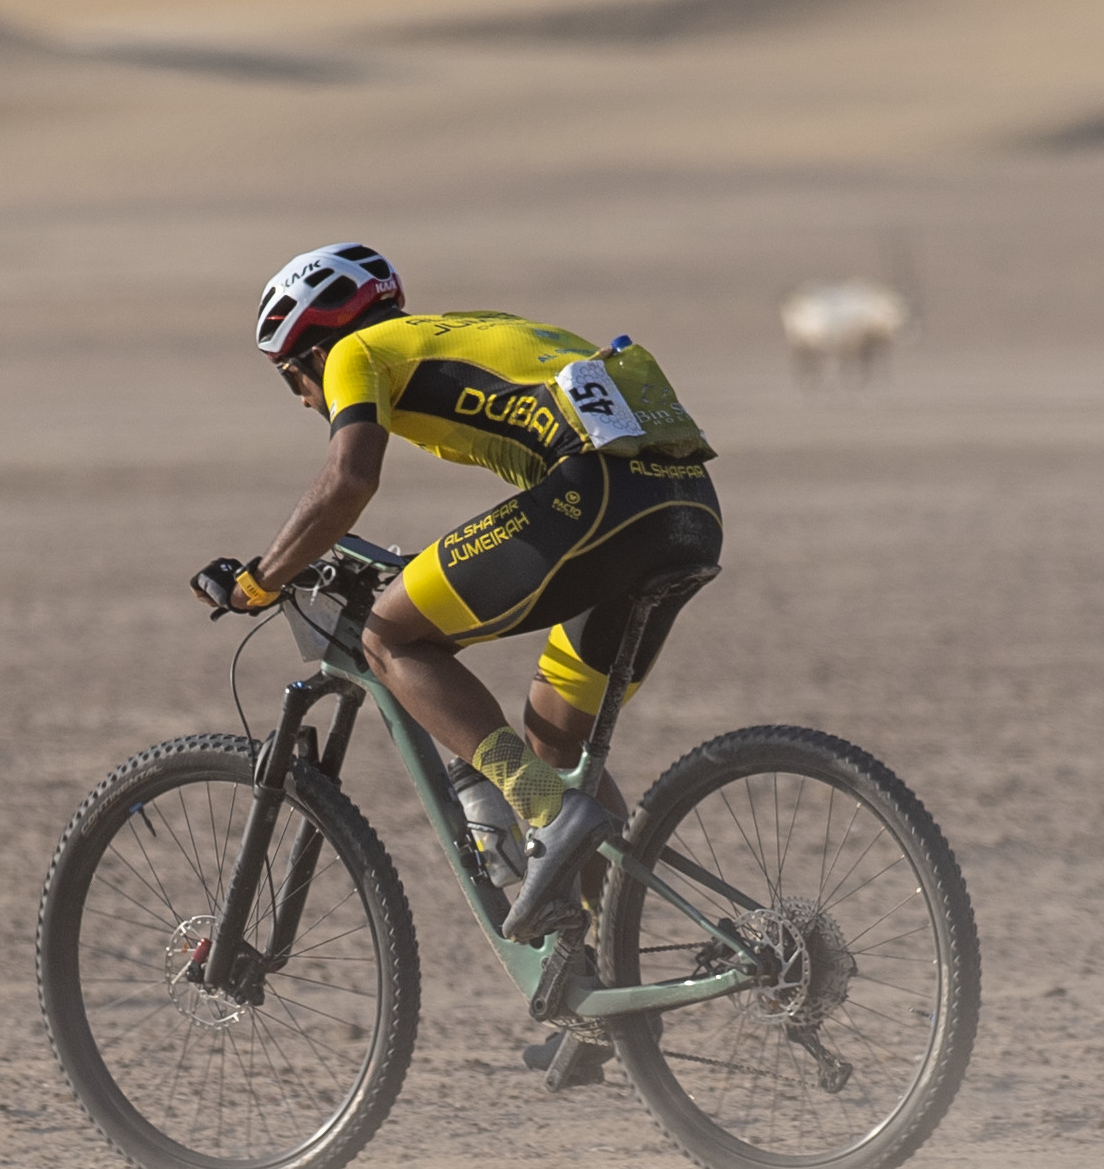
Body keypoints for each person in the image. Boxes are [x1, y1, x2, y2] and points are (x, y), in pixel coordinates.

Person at [198, 244, 723, 1064]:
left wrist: (260, 581)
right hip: (685, 509)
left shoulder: (358, 352)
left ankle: (541, 810)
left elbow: (347, 482)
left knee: (388, 635)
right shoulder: (464, 331)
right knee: (559, 746)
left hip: (598, 499)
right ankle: (602, 991)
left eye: (289, 377)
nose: (303, 398)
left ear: (311, 350)